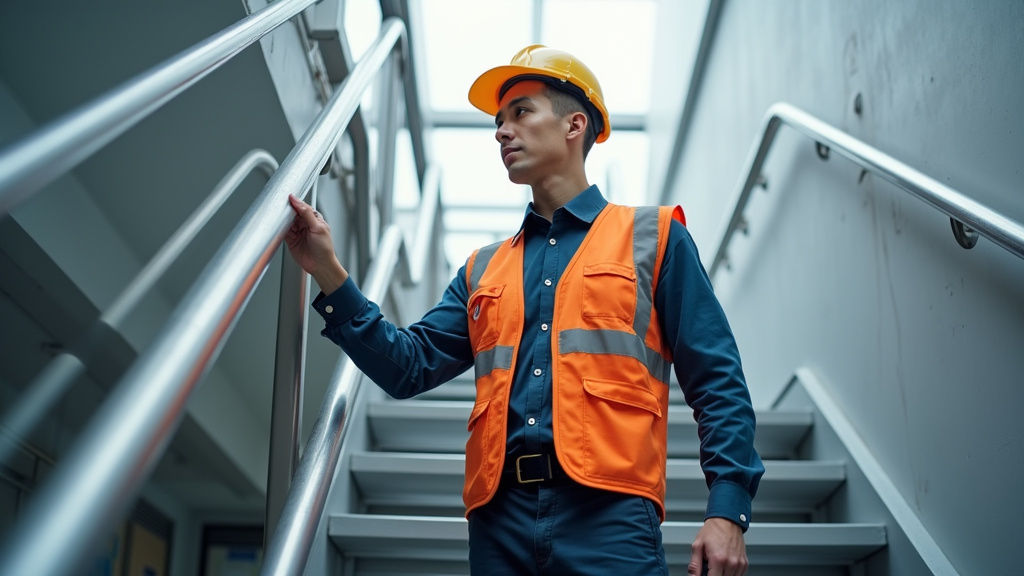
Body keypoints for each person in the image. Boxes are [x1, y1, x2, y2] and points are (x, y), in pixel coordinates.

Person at [285, 45, 764, 576]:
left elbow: (717, 378)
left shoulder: (654, 237)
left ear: (574, 125)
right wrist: (329, 271)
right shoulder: (482, 269)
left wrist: (729, 511)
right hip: (499, 522)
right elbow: (409, 366)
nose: (501, 132)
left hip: (611, 516)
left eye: (521, 112)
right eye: (498, 121)